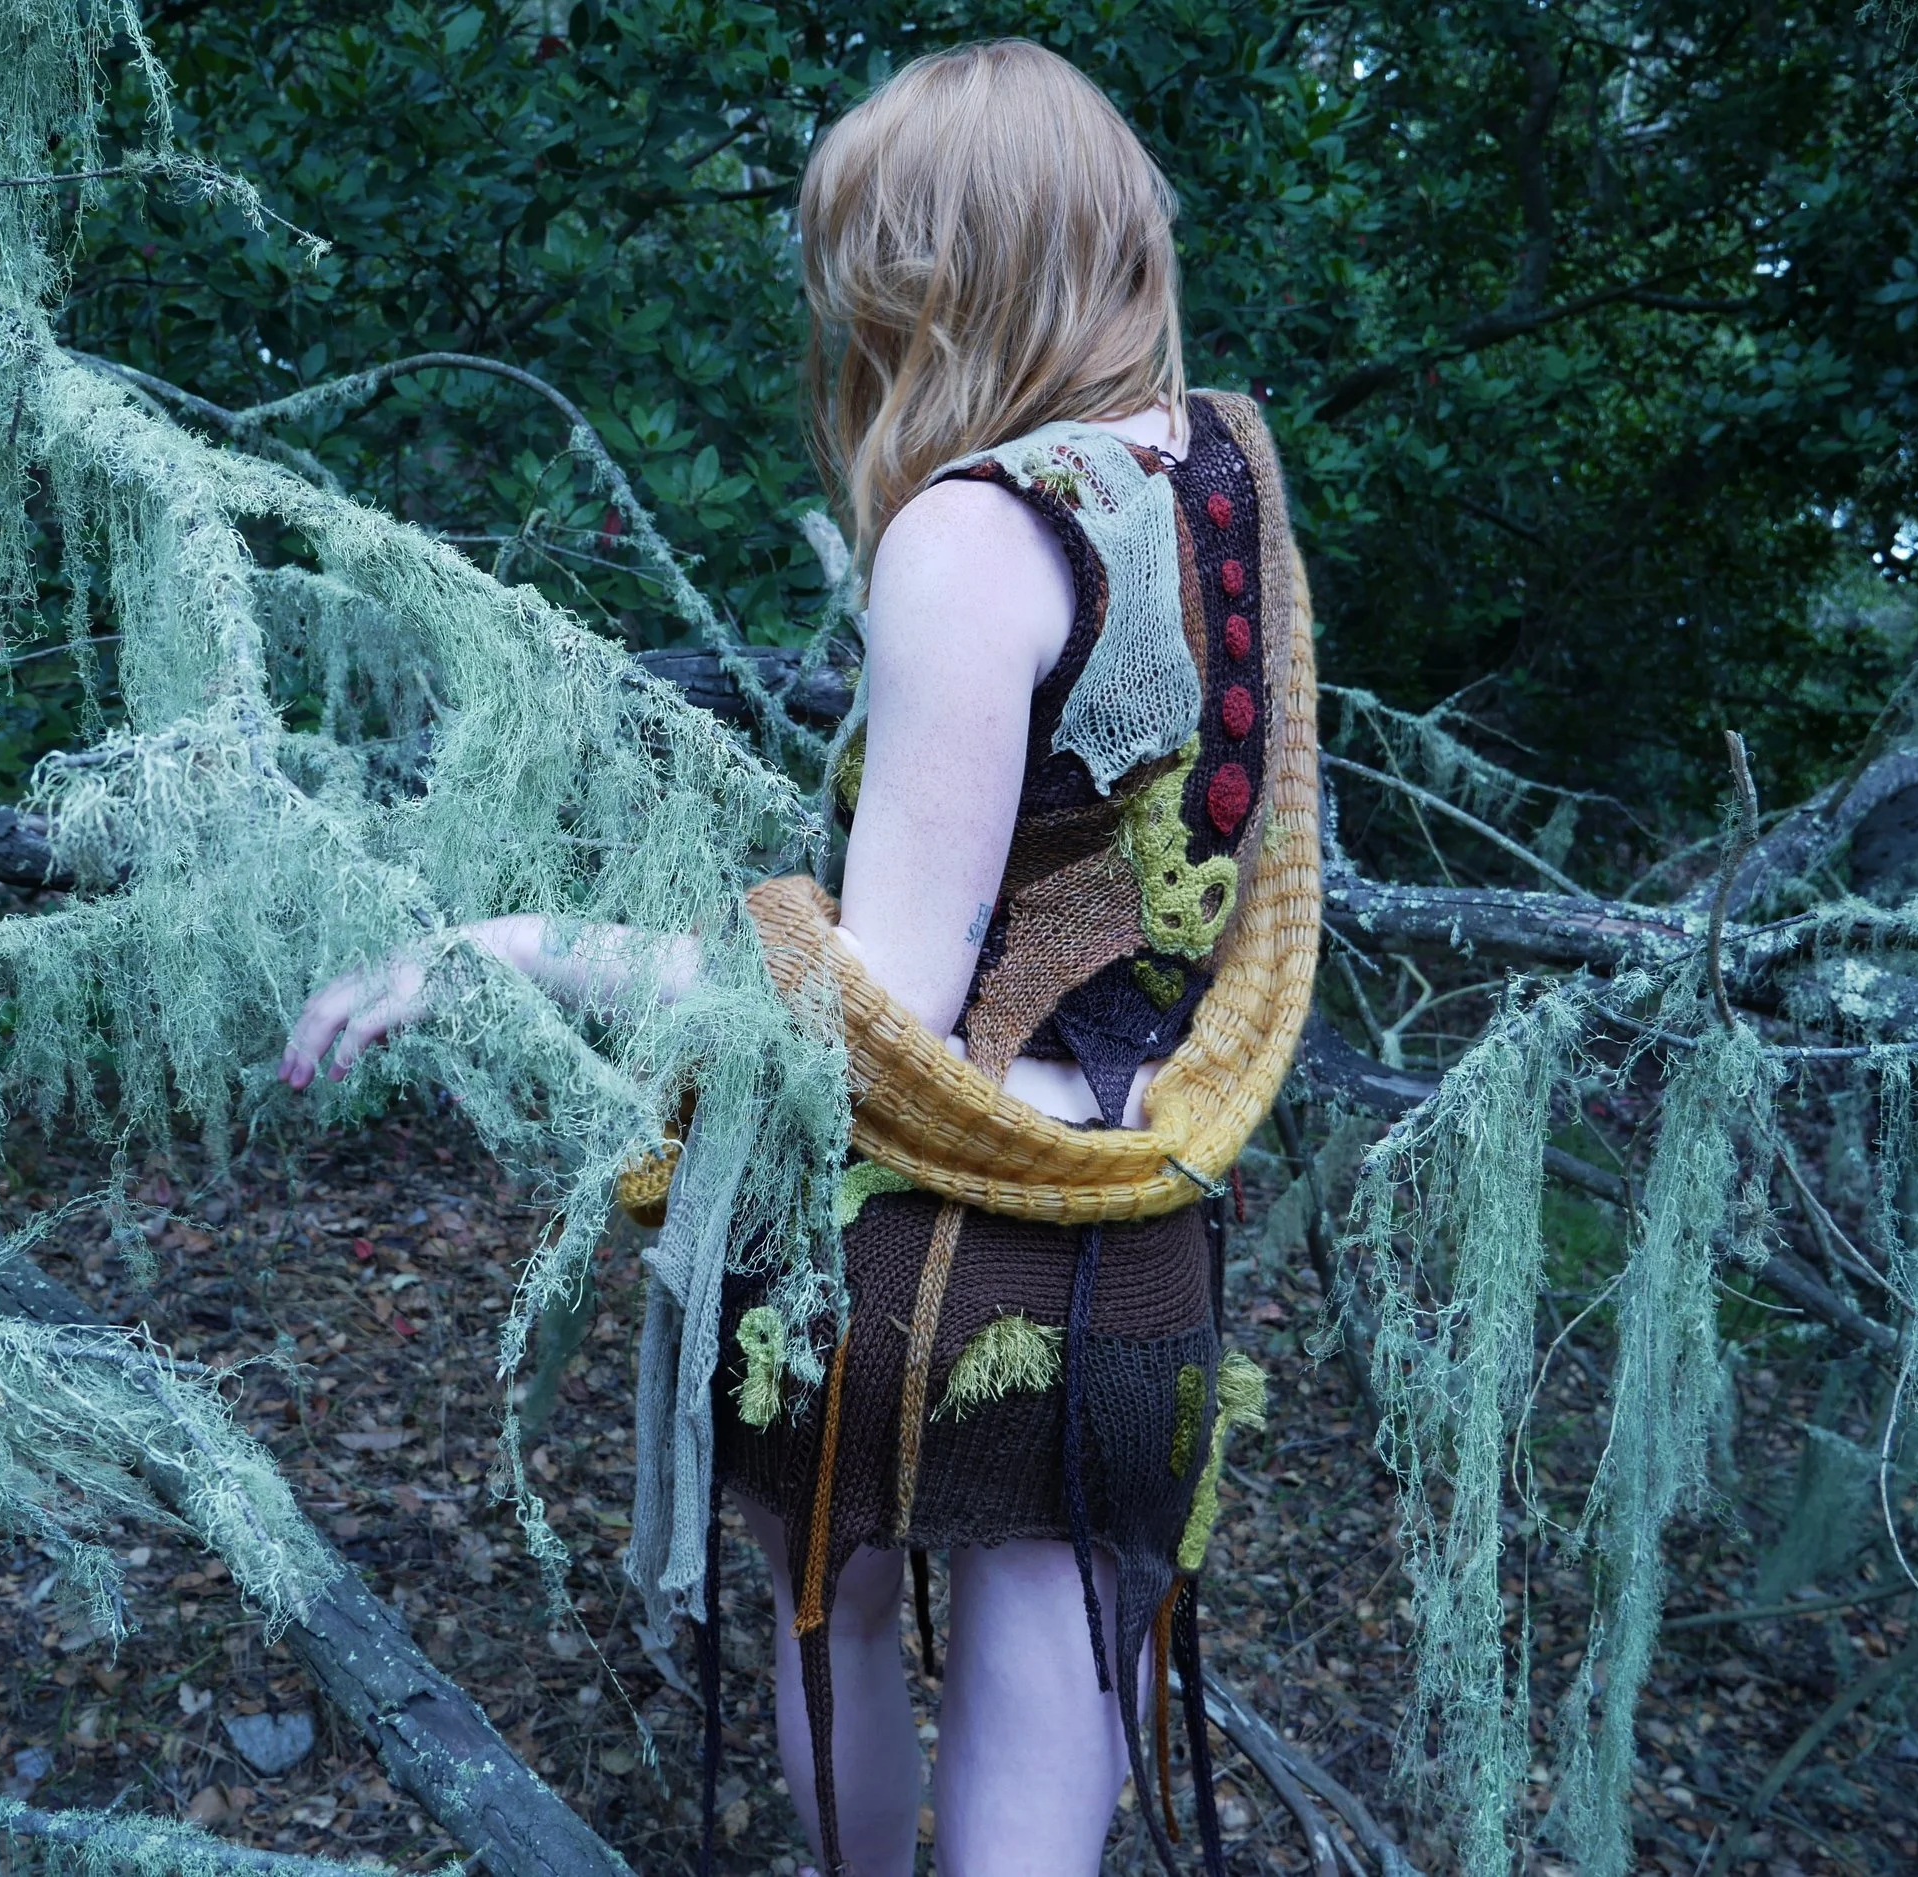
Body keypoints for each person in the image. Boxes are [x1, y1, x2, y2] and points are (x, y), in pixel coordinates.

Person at [281, 39, 1318, 1877]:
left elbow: (871, 1018)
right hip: (1145, 1216)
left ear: (929, 278)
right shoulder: (1228, 486)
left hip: (927, 1250)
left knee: (827, 1624)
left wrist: (509, 946)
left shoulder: (976, 534)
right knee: (1061, 1668)